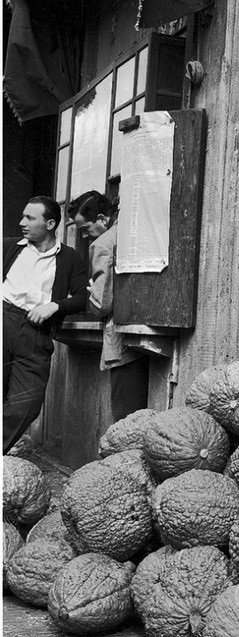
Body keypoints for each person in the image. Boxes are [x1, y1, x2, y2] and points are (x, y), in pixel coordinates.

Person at [3, 196, 88, 452]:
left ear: (50, 223)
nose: (22, 223)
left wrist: (55, 306)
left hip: (37, 333)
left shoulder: (70, 258)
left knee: (27, 404)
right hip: (3, 319)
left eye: (30, 218)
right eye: (23, 216)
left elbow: (83, 296)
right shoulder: (8, 247)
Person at [67, 190, 150, 423]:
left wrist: (90, 290)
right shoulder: (131, 233)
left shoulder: (103, 244)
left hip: (121, 339)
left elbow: (102, 304)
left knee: (124, 421)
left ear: (103, 219)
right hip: (144, 333)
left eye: (85, 229)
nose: (85, 237)